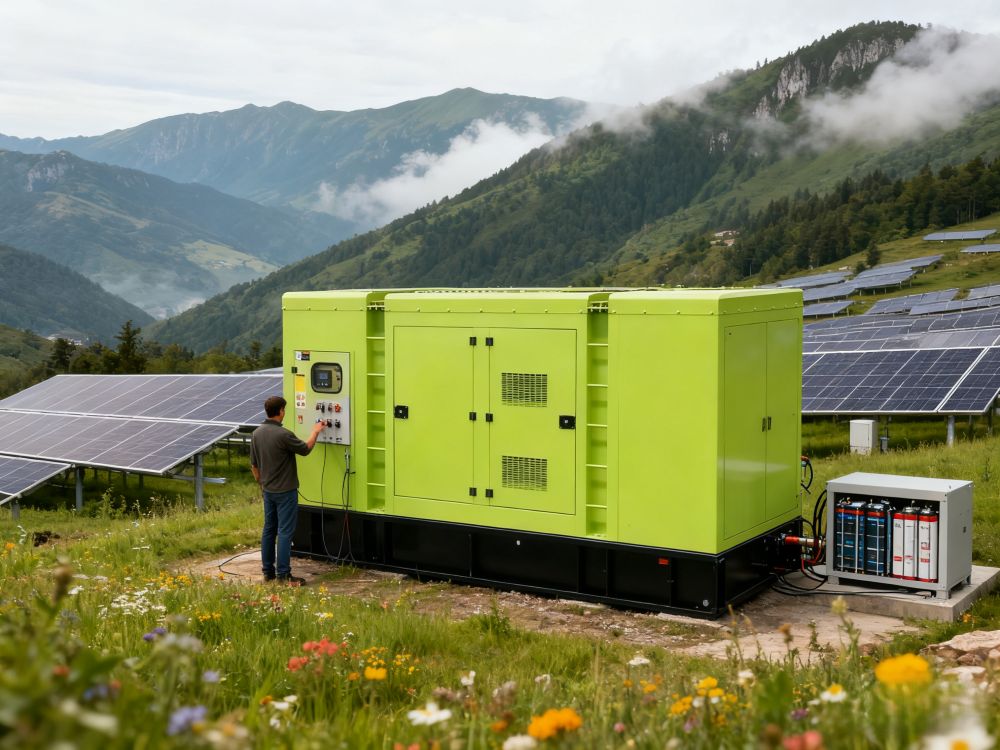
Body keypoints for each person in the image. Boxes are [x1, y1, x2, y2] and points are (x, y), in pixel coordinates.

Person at [250, 395, 324, 584]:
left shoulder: (257, 433)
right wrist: (316, 431)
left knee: (269, 530)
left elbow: (254, 466)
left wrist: (262, 483)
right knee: (284, 532)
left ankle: (268, 572)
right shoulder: (284, 435)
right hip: (286, 492)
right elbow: (306, 449)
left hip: (268, 491)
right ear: (281, 411)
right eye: (284, 410)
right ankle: (283, 575)